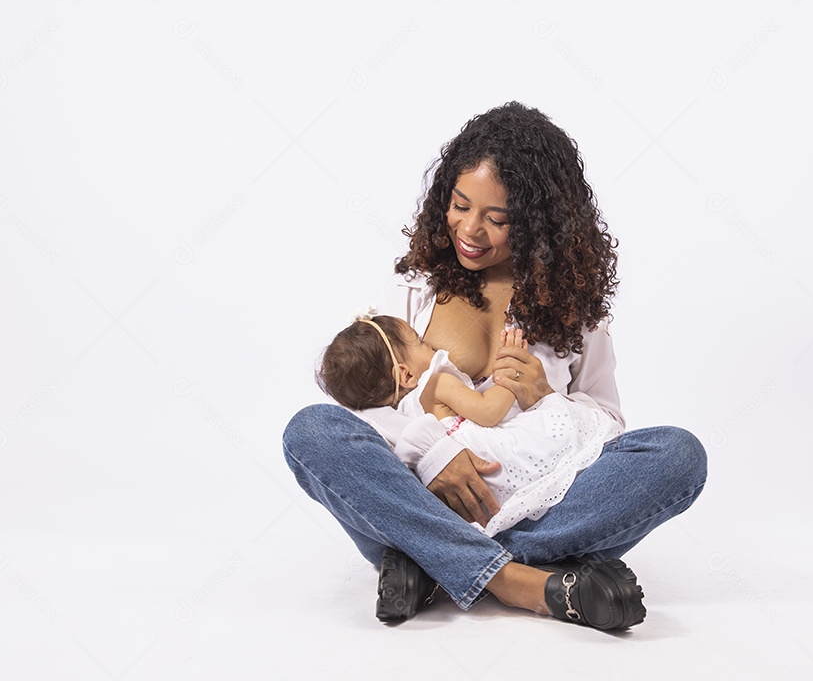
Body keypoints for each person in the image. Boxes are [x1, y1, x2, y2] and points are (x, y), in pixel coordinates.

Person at [283, 101, 708, 631]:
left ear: (536, 224)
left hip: (533, 500)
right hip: (424, 498)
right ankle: (520, 582)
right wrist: (434, 456)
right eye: (460, 205)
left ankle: (431, 564)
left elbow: (607, 426)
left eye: (497, 219)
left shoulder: (574, 311)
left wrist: (544, 397)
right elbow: (376, 404)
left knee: (677, 455)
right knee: (312, 430)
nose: (470, 229)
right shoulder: (417, 289)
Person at [316, 314, 621, 538]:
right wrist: (510, 371)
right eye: (419, 341)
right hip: (490, 459)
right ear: (406, 375)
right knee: (565, 434)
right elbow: (488, 412)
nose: (429, 344)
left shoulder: (396, 416)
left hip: (462, 504)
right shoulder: (435, 383)